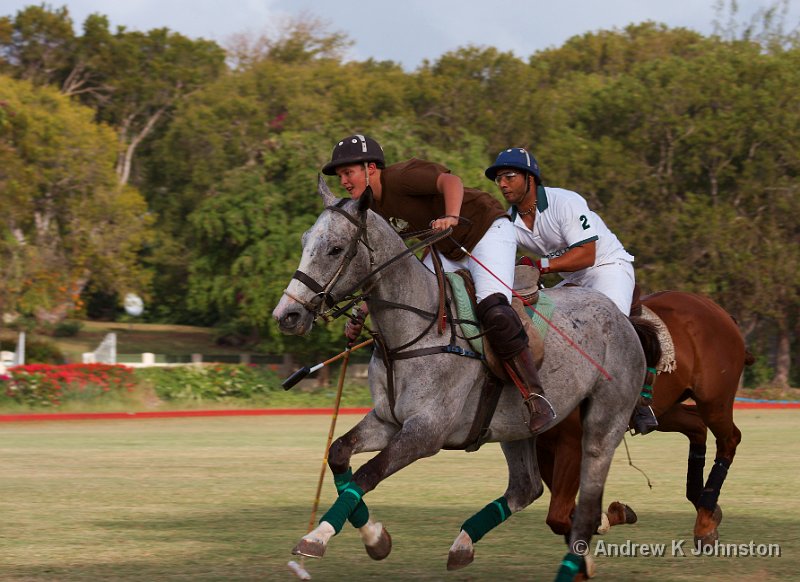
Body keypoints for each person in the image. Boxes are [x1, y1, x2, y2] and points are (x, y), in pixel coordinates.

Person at [322, 134, 556, 432]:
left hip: (486, 230)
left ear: (370, 168)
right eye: (340, 175)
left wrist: (451, 215)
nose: (343, 181)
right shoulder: (371, 209)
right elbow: (385, 272)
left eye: (347, 173)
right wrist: (361, 312)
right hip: (446, 248)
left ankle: (536, 397)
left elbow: (451, 182)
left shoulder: (401, 177)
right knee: (419, 301)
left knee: (493, 308)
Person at [484, 147, 658, 436]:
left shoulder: (565, 202)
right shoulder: (508, 221)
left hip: (606, 267)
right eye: (498, 179)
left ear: (530, 178)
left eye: (509, 177)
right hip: (571, 278)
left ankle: (640, 402)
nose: (502, 184)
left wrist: (540, 265)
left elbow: (586, 254)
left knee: (613, 330)